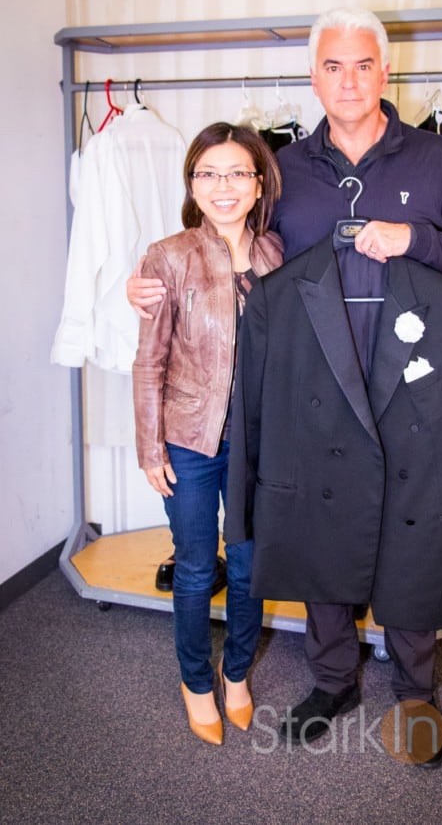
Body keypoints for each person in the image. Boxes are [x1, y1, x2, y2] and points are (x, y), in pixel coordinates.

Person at [127, 8, 442, 759]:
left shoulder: (435, 160)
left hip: (412, 394)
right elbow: (231, 248)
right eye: (334, 66)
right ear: (313, 76)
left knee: (412, 541)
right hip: (315, 392)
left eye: (363, 64)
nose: (349, 79)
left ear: (385, 72)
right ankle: (332, 678)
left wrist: (415, 240)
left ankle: (416, 692)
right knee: (326, 535)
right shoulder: (284, 171)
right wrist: (145, 285)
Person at [131, 122, 283, 746]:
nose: (223, 187)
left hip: (258, 444)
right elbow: (150, 360)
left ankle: (237, 672)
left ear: (258, 182)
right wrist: (149, 446)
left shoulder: (276, 254)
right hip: (189, 442)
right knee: (196, 569)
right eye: (207, 174)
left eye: (237, 173)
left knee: (249, 569)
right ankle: (196, 682)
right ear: (192, 184)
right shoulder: (168, 256)